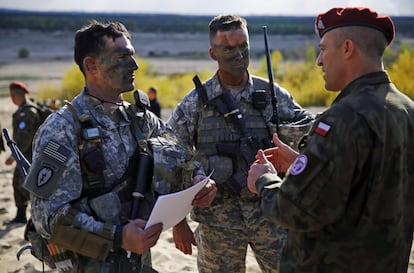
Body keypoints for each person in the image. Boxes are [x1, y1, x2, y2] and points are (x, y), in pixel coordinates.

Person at [24, 21, 216, 273]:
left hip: (136, 262)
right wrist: (117, 236)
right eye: (122, 57)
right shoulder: (62, 128)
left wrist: (197, 179)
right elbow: (47, 219)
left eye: (132, 56)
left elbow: (180, 152)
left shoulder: (139, 118)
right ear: (91, 65)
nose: (134, 65)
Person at [247, 7, 414, 273]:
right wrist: (303, 163)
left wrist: (263, 180)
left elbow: (295, 209)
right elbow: (367, 180)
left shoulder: (344, 117)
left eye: (323, 49)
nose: (319, 61)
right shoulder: (405, 109)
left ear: (347, 48)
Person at [168, 14, 313, 273]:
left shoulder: (272, 94)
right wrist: (179, 221)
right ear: (213, 53)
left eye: (243, 46)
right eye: (229, 48)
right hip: (218, 222)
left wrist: (287, 137)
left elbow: (310, 136)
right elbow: (169, 155)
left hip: (270, 214)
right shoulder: (196, 103)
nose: (239, 54)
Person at [4, 81, 43, 224]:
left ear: (14, 96)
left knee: (20, 184)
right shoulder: (34, 108)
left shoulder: (24, 113)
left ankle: (22, 216)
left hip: (27, 157)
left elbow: (23, 138)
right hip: (35, 156)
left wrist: (13, 156)